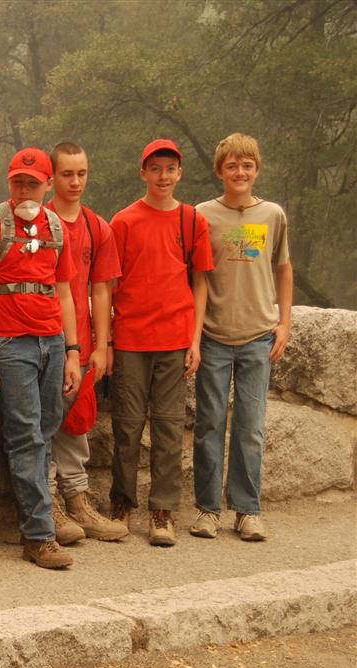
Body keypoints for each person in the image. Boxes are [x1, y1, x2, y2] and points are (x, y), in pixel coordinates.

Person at [0, 147, 80, 569]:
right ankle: (39, 535)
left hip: (51, 339)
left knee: (45, 430)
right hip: (10, 343)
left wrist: (72, 351)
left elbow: (65, 292)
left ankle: (40, 519)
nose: (24, 191)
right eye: (18, 182)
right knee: (26, 436)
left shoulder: (56, 227)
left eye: (32, 184)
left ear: (47, 185)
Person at [108, 139, 214, 546]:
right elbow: (109, 284)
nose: (163, 176)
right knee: (127, 427)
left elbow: (200, 283)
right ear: (144, 173)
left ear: (180, 173)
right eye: (155, 169)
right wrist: (109, 340)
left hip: (175, 339)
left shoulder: (191, 220)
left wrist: (195, 339)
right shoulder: (124, 221)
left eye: (170, 169)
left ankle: (163, 511)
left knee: (169, 429)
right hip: (131, 338)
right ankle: (121, 504)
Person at [191, 133, 292, 542]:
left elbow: (283, 268)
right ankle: (207, 510)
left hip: (258, 336)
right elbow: (197, 276)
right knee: (209, 425)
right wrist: (194, 335)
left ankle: (247, 510)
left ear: (257, 170)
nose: (240, 172)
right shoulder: (203, 215)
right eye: (232, 165)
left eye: (247, 165)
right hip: (214, 335)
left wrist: (284, 323)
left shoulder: (272, 215)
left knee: (251, 428)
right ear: (220, 171)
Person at [44, 143, 130, 543]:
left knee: (76, 424)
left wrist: (102, 344)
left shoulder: (97, 227)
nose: (75, 182)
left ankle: (77, 501)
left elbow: (101, 289)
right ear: (52, 178)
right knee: (42, 425)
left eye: (81, 173)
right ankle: (48, 505)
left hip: (81, 342)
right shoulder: (38, 222)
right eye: (67, 174)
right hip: (43, 342)